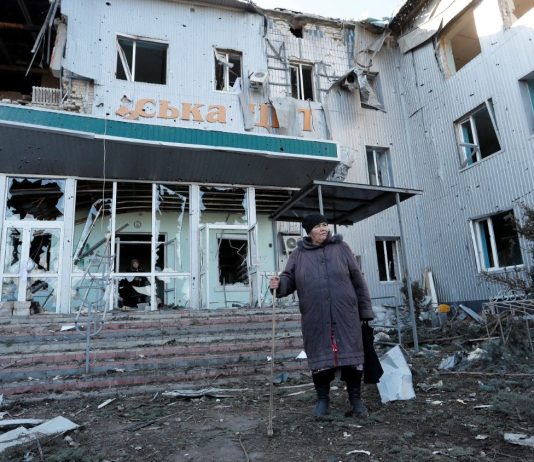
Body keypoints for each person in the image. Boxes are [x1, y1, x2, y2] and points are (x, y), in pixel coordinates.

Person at [269, 213, 374, 418]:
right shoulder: (298, 254)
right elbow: (288, 278)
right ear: (309, 231)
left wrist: (365, 311)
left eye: (325, 224)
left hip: (345, 315)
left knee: (352, 358)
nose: (324, 229)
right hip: (315, 317)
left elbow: (358, 280)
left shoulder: (342, 249)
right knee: (320, 360)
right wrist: (279, 284)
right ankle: (323, 400)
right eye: (318, 226)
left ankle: (356, 400)